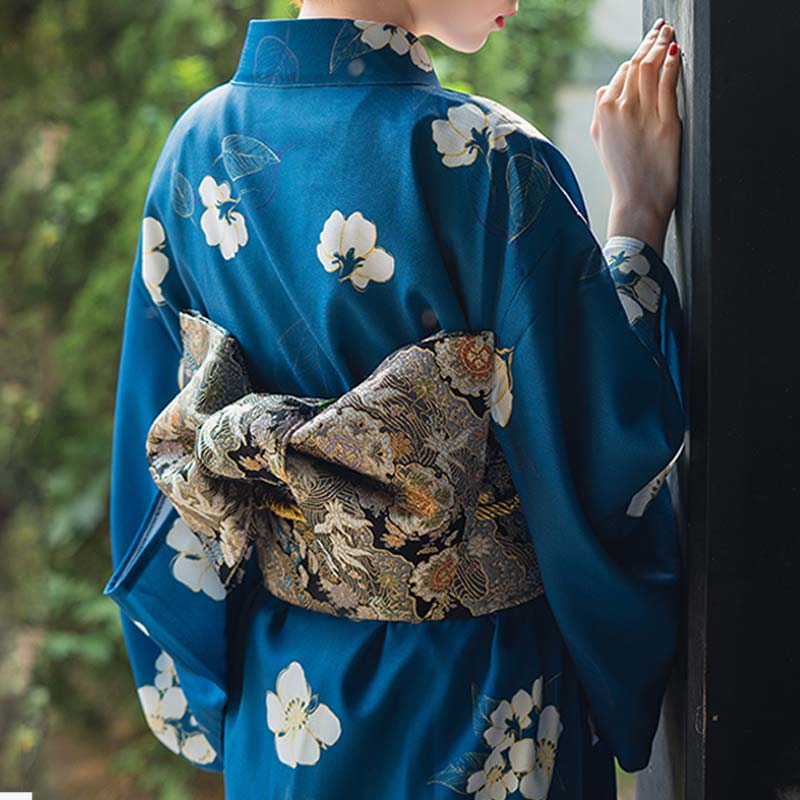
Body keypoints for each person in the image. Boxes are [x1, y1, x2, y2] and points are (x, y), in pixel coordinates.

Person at [103, 3, 686, 798]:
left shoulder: (194, 153)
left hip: (288, 704)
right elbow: (599, 448)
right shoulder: (489, 158)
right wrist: (639, 222)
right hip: (476, 702)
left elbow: (153, 456)